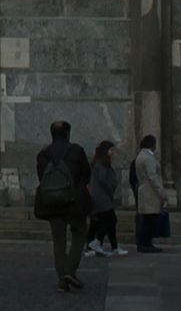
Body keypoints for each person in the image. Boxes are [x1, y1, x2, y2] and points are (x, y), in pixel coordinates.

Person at [31, 119, 92, 293]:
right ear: (67, 134)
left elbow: (42, 177)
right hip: (74, 203)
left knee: (58, 242)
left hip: (52, 203)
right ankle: (70, 271)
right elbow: (86, 174)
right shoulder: (76, 151)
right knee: (79, 234)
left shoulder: (43, 154)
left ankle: (62, 279)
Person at [130, 135, 170, 255]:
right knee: (149, 220)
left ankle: (145, 243)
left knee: (147, 220)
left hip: (144, 190)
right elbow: (153, 177)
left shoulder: (141, 156)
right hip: (150, 192)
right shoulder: (148, 158)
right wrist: (162, 192)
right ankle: (146, 244)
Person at [85, 139, 124, 257]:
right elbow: (102, 179)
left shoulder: (101, 162)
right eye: (111, 150)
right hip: (102, 197)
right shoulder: (101, 163)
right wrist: (110, 187)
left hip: (101, 196)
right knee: (110, 220)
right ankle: (97, 242)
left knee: (102, 221)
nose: (113, 152)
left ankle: (102, 245)